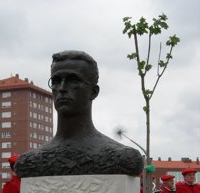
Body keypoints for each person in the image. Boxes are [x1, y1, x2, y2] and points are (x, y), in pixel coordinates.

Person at [15, 50, 143, 178]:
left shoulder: (121, 158)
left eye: (73, 80)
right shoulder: (29, 162)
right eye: (56, 81)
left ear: (94, 92)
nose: (62, 88)